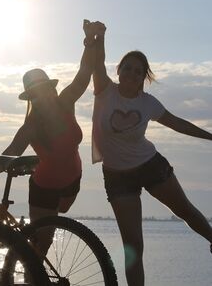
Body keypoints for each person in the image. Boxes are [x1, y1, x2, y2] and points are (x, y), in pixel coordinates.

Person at [91, 21, 212, 286]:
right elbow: (97, 62)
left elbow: (178, 123)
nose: (132, 74)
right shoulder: (104, 90)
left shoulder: (148, 103)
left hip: (150, 165)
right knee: (133, 247)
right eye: (127, 68)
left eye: (138, 71)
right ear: (119, 71)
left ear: (144, 78)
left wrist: (210, 136)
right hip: (117, 177)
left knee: (186, 211)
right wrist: (99, 37)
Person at [0, 20, 98, 254]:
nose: (41, 96)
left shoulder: (66, 102)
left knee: (61, 213)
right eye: (35, 94)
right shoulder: (30, 128)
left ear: (51, 89)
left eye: (44, 90)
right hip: (44, 186)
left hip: (72, 180)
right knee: (42, 243)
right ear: (30, 99)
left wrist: (90, 41)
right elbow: (7, 157)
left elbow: (84, 73)